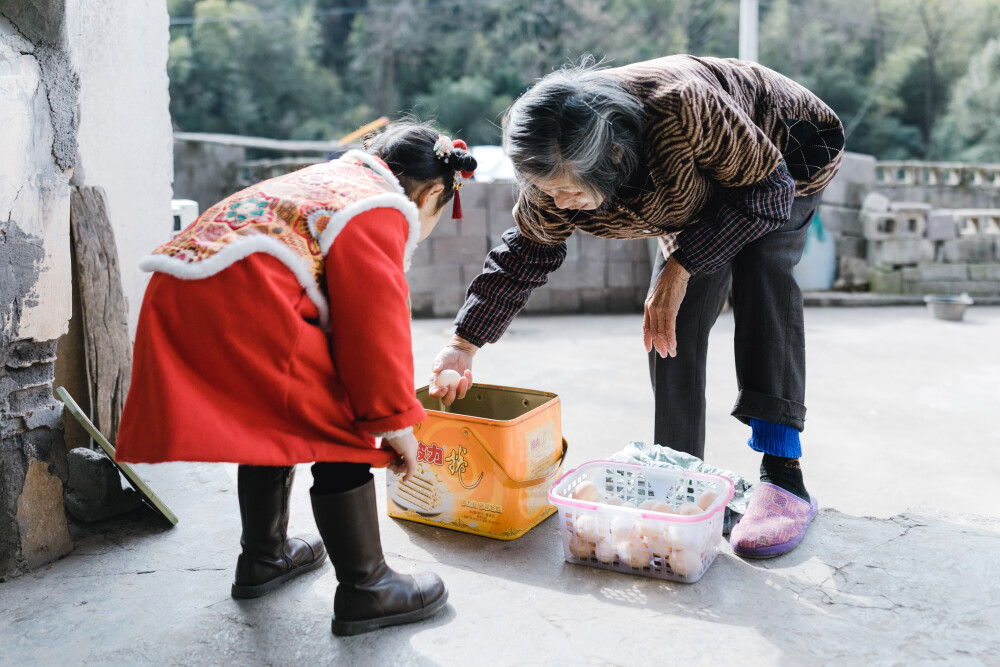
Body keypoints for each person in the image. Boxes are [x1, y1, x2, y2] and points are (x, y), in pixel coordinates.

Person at [429, 55, 844, 559]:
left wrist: (679, 265)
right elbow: (526, 251)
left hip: (784, 148)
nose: (557, 204)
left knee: (762, 272)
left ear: (616, 157)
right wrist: (462, 344)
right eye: (546, 190)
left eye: (568, 190)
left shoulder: (681, 110)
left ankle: (784, 477)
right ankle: (679, 472)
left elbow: (767, 194)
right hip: (700, 180)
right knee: (673, 323)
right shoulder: (551, 170)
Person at [115, 122, 477, 634]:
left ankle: (264, 556)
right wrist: (396, 422)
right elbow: (373, 330)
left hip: (183, 287)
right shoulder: (379, 205)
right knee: (344, 411)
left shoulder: (332, 179)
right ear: (434, 191)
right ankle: (367, 587)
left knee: (270, 416)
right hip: (241, 296)